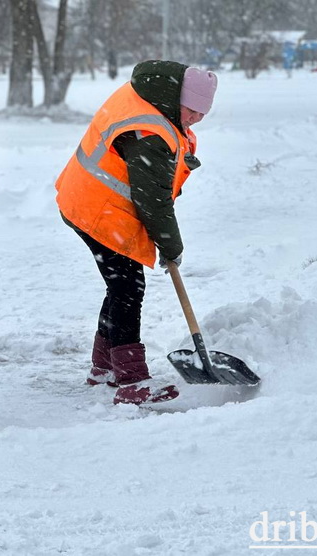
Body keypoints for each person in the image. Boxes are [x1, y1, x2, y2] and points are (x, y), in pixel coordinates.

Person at [55, 60, 218, 406]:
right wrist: (171, 246)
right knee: (128, 287)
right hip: (98, 209)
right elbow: (153, 199)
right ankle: (132, 382)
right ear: (178, 99)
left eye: (202, 115)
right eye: (192, 111)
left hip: (87, 198)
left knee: (121, 284)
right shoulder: (151, 133)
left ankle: (104, 367)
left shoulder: (147, 97)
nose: (195, 120)